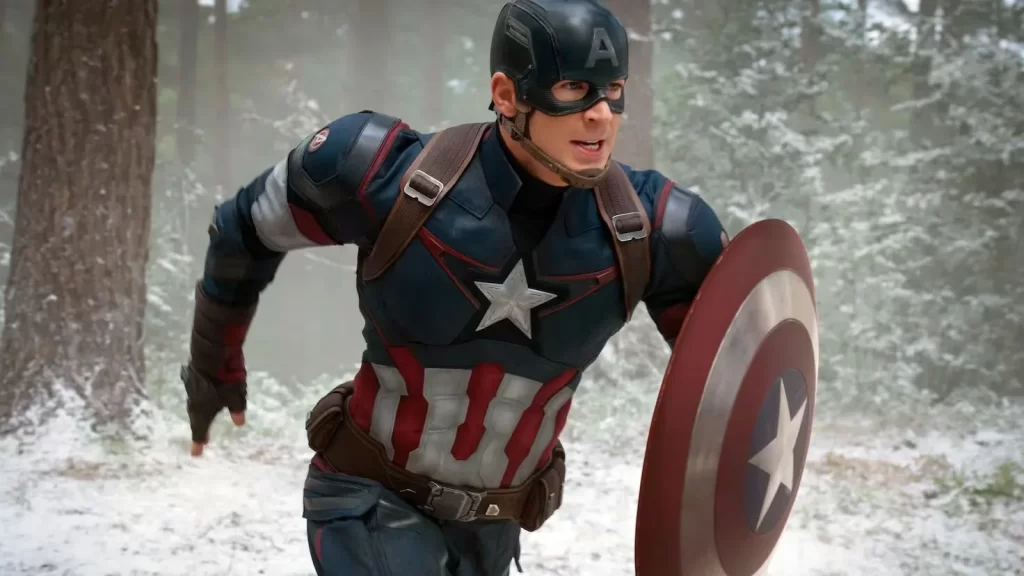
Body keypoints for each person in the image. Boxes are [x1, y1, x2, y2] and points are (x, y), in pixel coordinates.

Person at [180, 0, 728, 574]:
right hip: (367, 501)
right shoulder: (380, 171)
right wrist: (214, 366)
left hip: (494, 530)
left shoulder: (658, 229)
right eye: (572, 88)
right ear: (508, 94)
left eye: (613, 90)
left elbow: (734, 383)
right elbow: (242, 230)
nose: (601, 115)